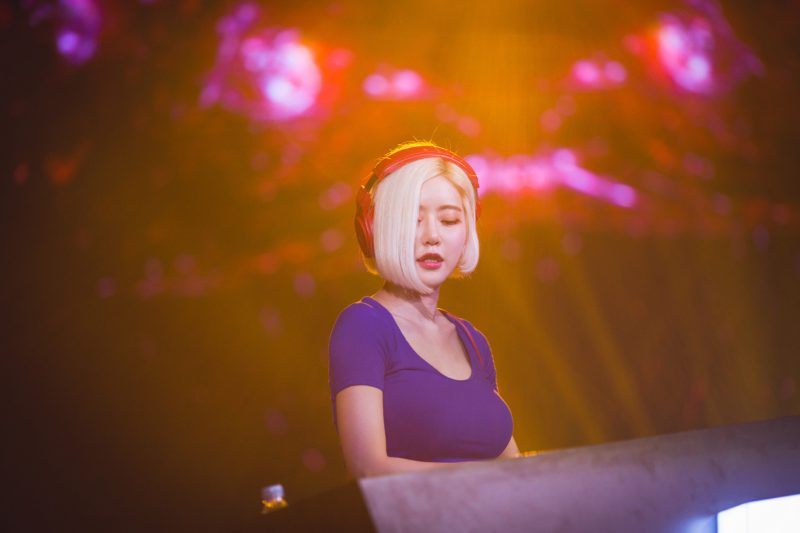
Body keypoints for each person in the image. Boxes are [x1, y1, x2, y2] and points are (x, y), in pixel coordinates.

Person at [328, 141, 519, 478]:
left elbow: (515, 466)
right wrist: (483, 480)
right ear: (375, 230)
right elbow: (366, 466)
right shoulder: (363, 326)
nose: (432, 236)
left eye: (449, 220)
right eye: (414, 220)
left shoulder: (472, 340)